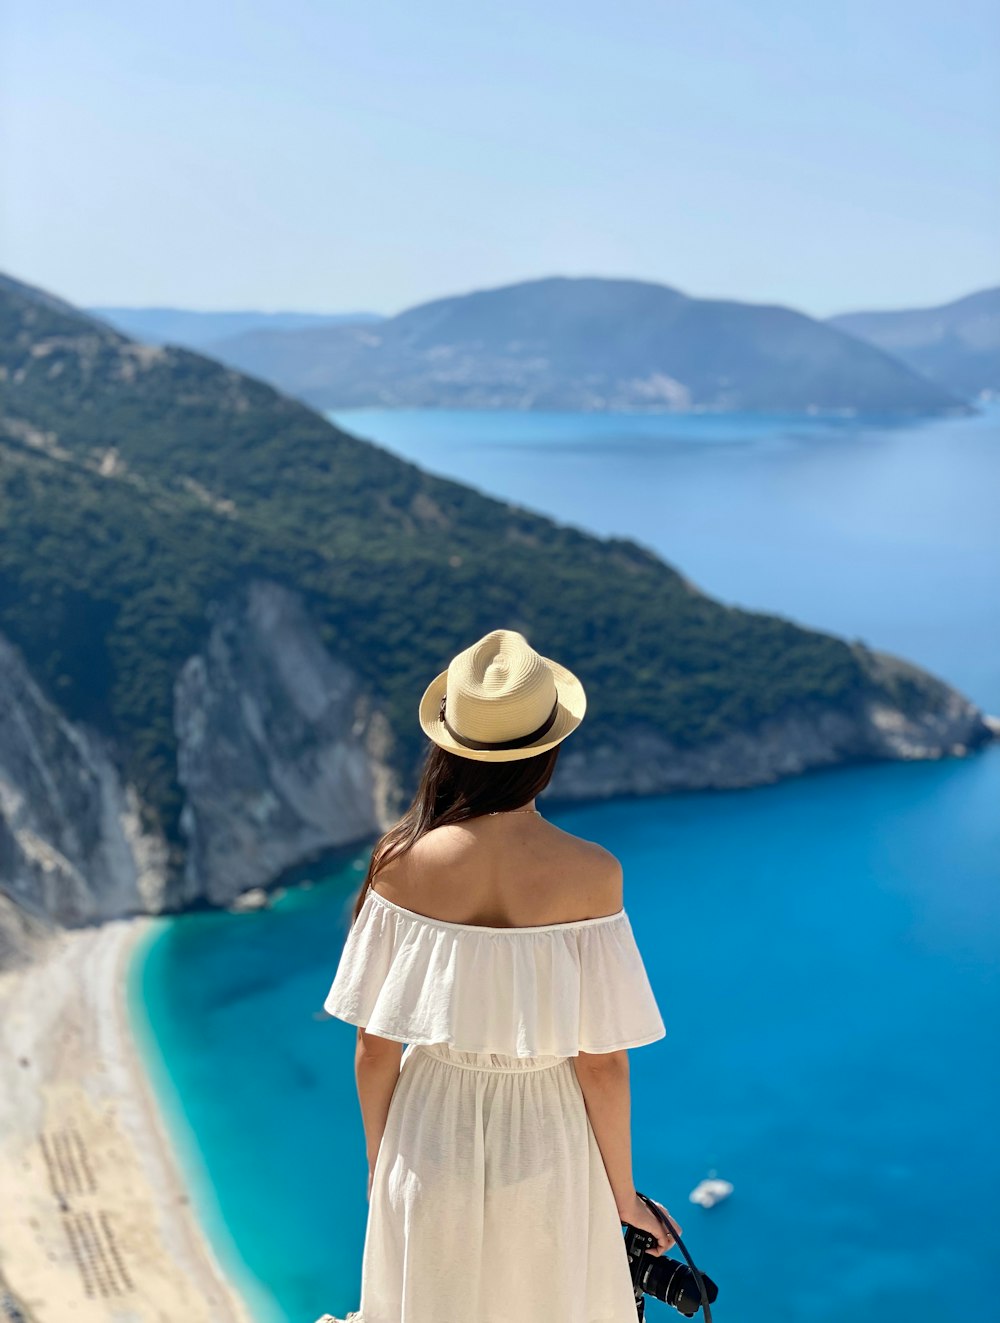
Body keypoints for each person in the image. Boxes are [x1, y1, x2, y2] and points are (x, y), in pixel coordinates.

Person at [319, 628, 681, 1323]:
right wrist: (625, 1196)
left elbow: (374, 1047)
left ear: (450, 745)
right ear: (546, 752)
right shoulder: (593, 874)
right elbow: (602, 1062)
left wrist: (382, 1166)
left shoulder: (399, 859)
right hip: (545, 1135)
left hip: (428, 1131)